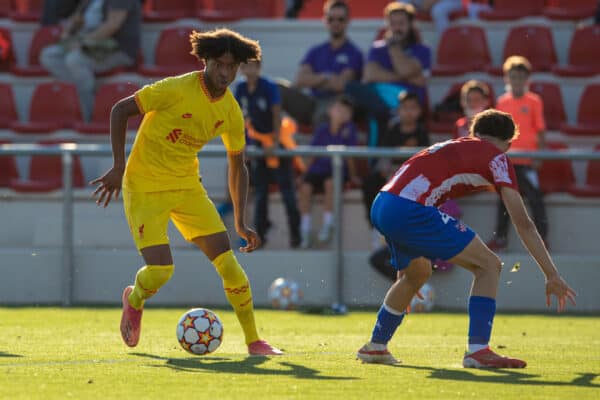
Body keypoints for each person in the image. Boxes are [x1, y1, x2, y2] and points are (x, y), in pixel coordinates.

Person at [90, 28, 282, 356]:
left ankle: (254, 341)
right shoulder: (177, 88)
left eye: (232, 67)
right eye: (220, 64)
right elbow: (120, 110)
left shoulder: (231, 111)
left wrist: (240, 221)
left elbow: (239, 167)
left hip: (186, 187)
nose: (225, 73)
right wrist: (119, 166)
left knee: (229, 263)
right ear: (206, 61)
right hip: (144, 186)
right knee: (162, 270)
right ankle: (134, 298)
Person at [356, 109, 577, 367]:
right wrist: (551, 274)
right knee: (489, 265)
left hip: (383, 204)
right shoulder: (498, 157)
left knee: (417, 273)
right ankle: (478, 350)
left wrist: (405, 263)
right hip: (409, 208)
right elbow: (523, 223)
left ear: (474, 133)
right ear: (508, 143)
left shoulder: (451, 145)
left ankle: (376, 346)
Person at [235, 60, 302, 248]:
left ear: (259, 67)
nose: (249, 70)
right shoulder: (241, 87)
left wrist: (274, 141)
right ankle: (260, 237)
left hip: (276, 141)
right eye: (245, 65)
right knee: (260, 193)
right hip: (258, 143)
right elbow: (238, 116)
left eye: (253, 66)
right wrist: (242, 144)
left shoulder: (268, 86)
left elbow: (276, 113)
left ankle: (296, 237)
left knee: (287, 192)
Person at [346, 1, 431, 146]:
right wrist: (407, 77)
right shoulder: (377, 48)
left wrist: (394, 48)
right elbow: (369, 75)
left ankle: (375, 167)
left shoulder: (422, 50)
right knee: (351, 87)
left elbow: (407, 71)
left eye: (401, 23)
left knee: (374, 113)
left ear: (410, 24)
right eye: (393, 23)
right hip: (378, 96)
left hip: (406, 99)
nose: (397, 28)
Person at [40, 0, 141, 120]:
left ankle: (88, 114)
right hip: (91, 44)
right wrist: (72, 27)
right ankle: (83, 89)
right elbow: (79, 19)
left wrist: (83, 41)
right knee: (49, 55)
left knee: (75, 60)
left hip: (118, 49)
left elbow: (113, 25)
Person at [487, 56, 548, 251]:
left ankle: (542, 238)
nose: (517, 81)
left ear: (527, 79)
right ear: (507, 79)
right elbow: (498, 132)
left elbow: (540, 130)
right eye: (513, 77)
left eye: (521, 77)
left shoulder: (534, 101)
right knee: (505, 200)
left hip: (528, 160)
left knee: (535, 197)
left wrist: (539, 155)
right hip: (509, 161)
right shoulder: (502, 102)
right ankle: (501, 238)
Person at [279, 0, 363, 127]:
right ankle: (264, 139)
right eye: (331, 19)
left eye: (340, 19)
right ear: (324, 20)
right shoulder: (316, 50)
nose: (335, 23)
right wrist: (326, 77)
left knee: (327, 112)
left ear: (348, 21)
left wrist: (314, 80)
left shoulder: (355, 53)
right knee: (274, 89)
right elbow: (300, 80)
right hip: (312, 101)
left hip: (335, 103)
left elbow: (341, 85)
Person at [361, 91, 429, 248]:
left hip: (411, 177)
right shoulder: (391, 130)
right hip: (391, 175)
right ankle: (376, 227)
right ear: (398, 110)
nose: (408, 112)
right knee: (371, 182)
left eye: (412, 108)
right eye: (404, 108)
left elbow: (423, 162)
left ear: (419, 111)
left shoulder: (421, 133)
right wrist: (388, 171)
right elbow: (383, 157)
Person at [298, 95, 360, 248]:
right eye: (338, 109)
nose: (341, 113)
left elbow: (351, 157)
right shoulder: (322, 130)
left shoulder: (350, 129)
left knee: (330, 183)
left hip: (338, 171)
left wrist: (353, 176)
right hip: (318, 169)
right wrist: (305, 174)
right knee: (305, 188)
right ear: (330, 111)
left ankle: (328, 224)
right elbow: (313, 154)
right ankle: (305, 228)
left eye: (345, 111)